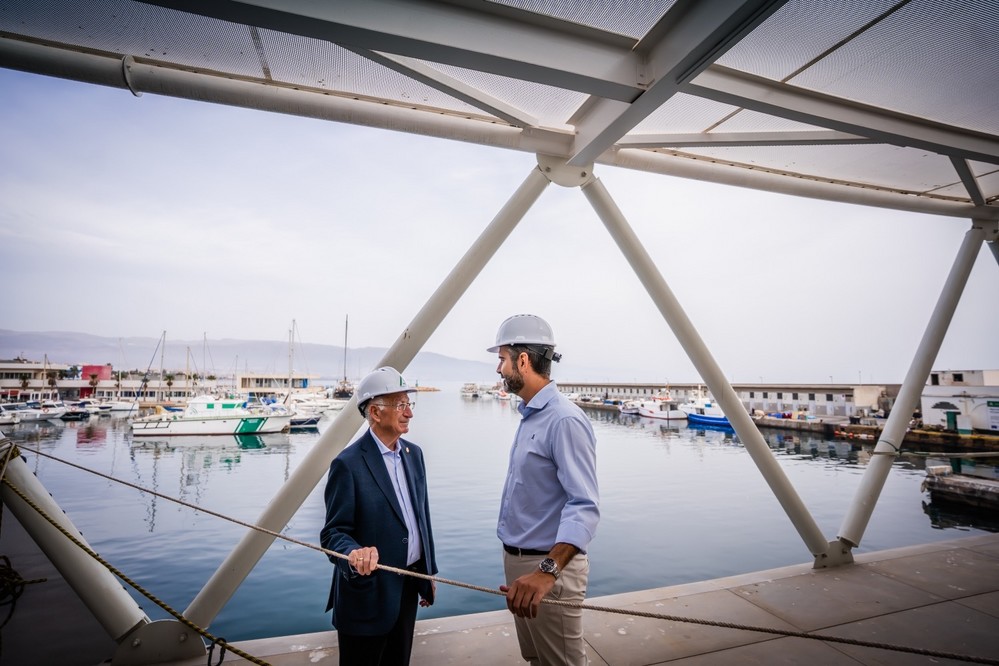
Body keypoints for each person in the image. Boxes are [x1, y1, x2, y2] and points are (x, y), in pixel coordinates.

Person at [488, 314, 600, 666]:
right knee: (536, 659)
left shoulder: (563, 420)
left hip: (548, 571)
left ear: (523, 360)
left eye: (502, 358)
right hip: (523, 567)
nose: (498, 369)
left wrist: (545, 572)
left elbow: (584, 507)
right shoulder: (533, 416)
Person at [320, 366, 437, 666]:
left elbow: (420, 518)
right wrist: (353, 552)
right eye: (401, 405)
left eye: (409, 404)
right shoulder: (347, 465)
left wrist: (427, 572)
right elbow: (333, 533)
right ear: (374, 412)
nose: (409, 413)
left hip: (407, 591)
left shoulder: (415, 455)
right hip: (366, 598)